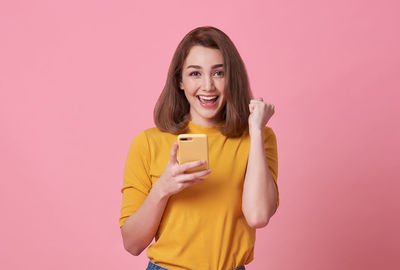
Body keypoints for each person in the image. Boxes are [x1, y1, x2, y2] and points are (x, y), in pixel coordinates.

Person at [119, 26, 279, 270]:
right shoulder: (148, 143)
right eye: (195, 74)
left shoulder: (259, 137)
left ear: (231, 78)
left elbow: (258, 216)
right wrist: (163, 189)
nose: (208, 86)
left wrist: (255, 130)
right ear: (180, 81)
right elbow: (132, 244)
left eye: (218, 73)